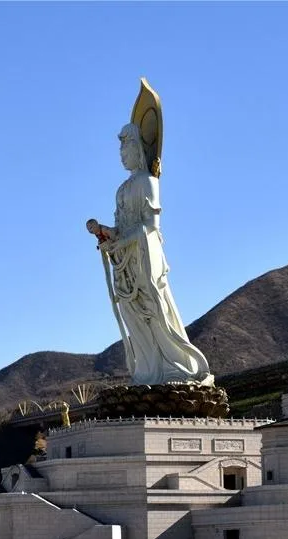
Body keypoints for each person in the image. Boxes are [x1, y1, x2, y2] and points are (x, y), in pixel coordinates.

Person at [86, 123, 212, 386]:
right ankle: (148, 370)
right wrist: (107, 233)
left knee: (156, 310)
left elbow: (151, 227)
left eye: (125, 147)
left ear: (138, 149)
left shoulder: (149, 182)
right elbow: (123, 227)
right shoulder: (121, 190)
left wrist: (122, 243)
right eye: (119, 148)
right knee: (133, 315)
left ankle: (176, 366)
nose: (121, 153)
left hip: (146, 256)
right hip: (127, 263)